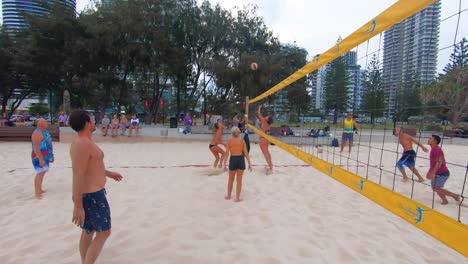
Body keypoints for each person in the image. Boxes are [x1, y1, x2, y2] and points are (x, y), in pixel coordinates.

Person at [69, 110, 123, 264]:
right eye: (92, 119)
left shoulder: (84, 141)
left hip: (93, 193)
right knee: (104, 232)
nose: (94, 121)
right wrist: (78, 205)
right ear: (87, 123)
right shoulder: (82, 143)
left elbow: (90, 167)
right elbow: (79, 174)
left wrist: (108, 173)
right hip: (91, 196)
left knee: (89, 230)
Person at [426, 135, 460, 205]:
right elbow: (433, 163)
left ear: (435, 141)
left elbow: (439, 162)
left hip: (443, 173)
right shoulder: (433, 149)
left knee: (436, 188)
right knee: (435, 188)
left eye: (430, 139)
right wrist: (430, 171)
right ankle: (445, 200)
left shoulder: (437, 149)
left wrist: (433, 173)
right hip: (438, 172)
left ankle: (455, 196)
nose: (428, 139)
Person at [223, 127, 252, 202]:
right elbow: (246, 153)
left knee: (230, 179)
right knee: (239, 180)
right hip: (241, 160)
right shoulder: (242, 141)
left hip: (233, 159)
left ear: (232, 133)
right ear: (239, 133)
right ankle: (238, 198)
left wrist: (224, 164)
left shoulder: (229, 141)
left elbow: (226, 154)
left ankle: (229, 196)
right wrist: (249, 164)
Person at [31, 118, 54, 199]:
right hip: (39, 156)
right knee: (40, 173)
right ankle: (37, 193)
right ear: (39, 123)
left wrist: (51, 156)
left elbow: (49, 144)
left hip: (46, 155)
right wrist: (40, 159)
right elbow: (36, 147)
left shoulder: (45, 131)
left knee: (43, 173)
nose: (46, 122)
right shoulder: (37, 132)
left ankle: (39, 189)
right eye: (44, 121)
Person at [257, 105, 273, 175]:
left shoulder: (264, 120)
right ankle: (270, 166)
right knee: (267, 153)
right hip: (266, 139)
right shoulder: (269, 124)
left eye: (267, 117)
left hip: (262, 139)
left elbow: (258, 114)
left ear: (267, 119)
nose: (266, 116)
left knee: (265, 153)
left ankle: (270, 167)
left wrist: (259, 107)